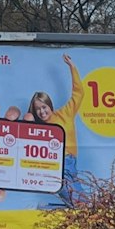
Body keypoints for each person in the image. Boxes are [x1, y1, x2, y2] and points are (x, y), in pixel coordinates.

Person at [28, 54, 85, 202]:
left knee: (78, 200)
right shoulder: (38, 127)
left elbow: (78, 94)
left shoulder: (64, 114)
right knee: (78, 200)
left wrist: (72, 67)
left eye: (44, 107)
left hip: (70, 163)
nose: (42, 111)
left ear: (50, 105)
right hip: (55, 166)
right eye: (38, 109)